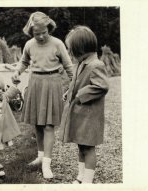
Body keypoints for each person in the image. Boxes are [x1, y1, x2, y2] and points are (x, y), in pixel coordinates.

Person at [12, 11, 73, 179]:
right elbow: (24, 62)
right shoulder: (29, 44)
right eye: (36, 33)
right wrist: (17, 71)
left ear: (49, 28)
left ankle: (47, 163)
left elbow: (68, 66)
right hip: (35, 83)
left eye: (43, 33)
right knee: (38, 124)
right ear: (31, 32)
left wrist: (74, 85)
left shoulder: (57, 43)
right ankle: (39, 157)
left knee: (48, 125)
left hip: (52, 83)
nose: (40, 36)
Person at [60, 26, 109, 184]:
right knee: (81, 145)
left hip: (89, 116)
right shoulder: (82, 63)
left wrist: (80, 94)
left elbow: (102, 86)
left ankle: (87, 181)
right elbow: (76, 81)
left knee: (88, 148)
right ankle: (81, 176)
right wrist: (69, 91)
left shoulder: (96, 65)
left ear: (80, 49)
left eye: (70, 49)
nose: (69, 52)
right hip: (81, 115)